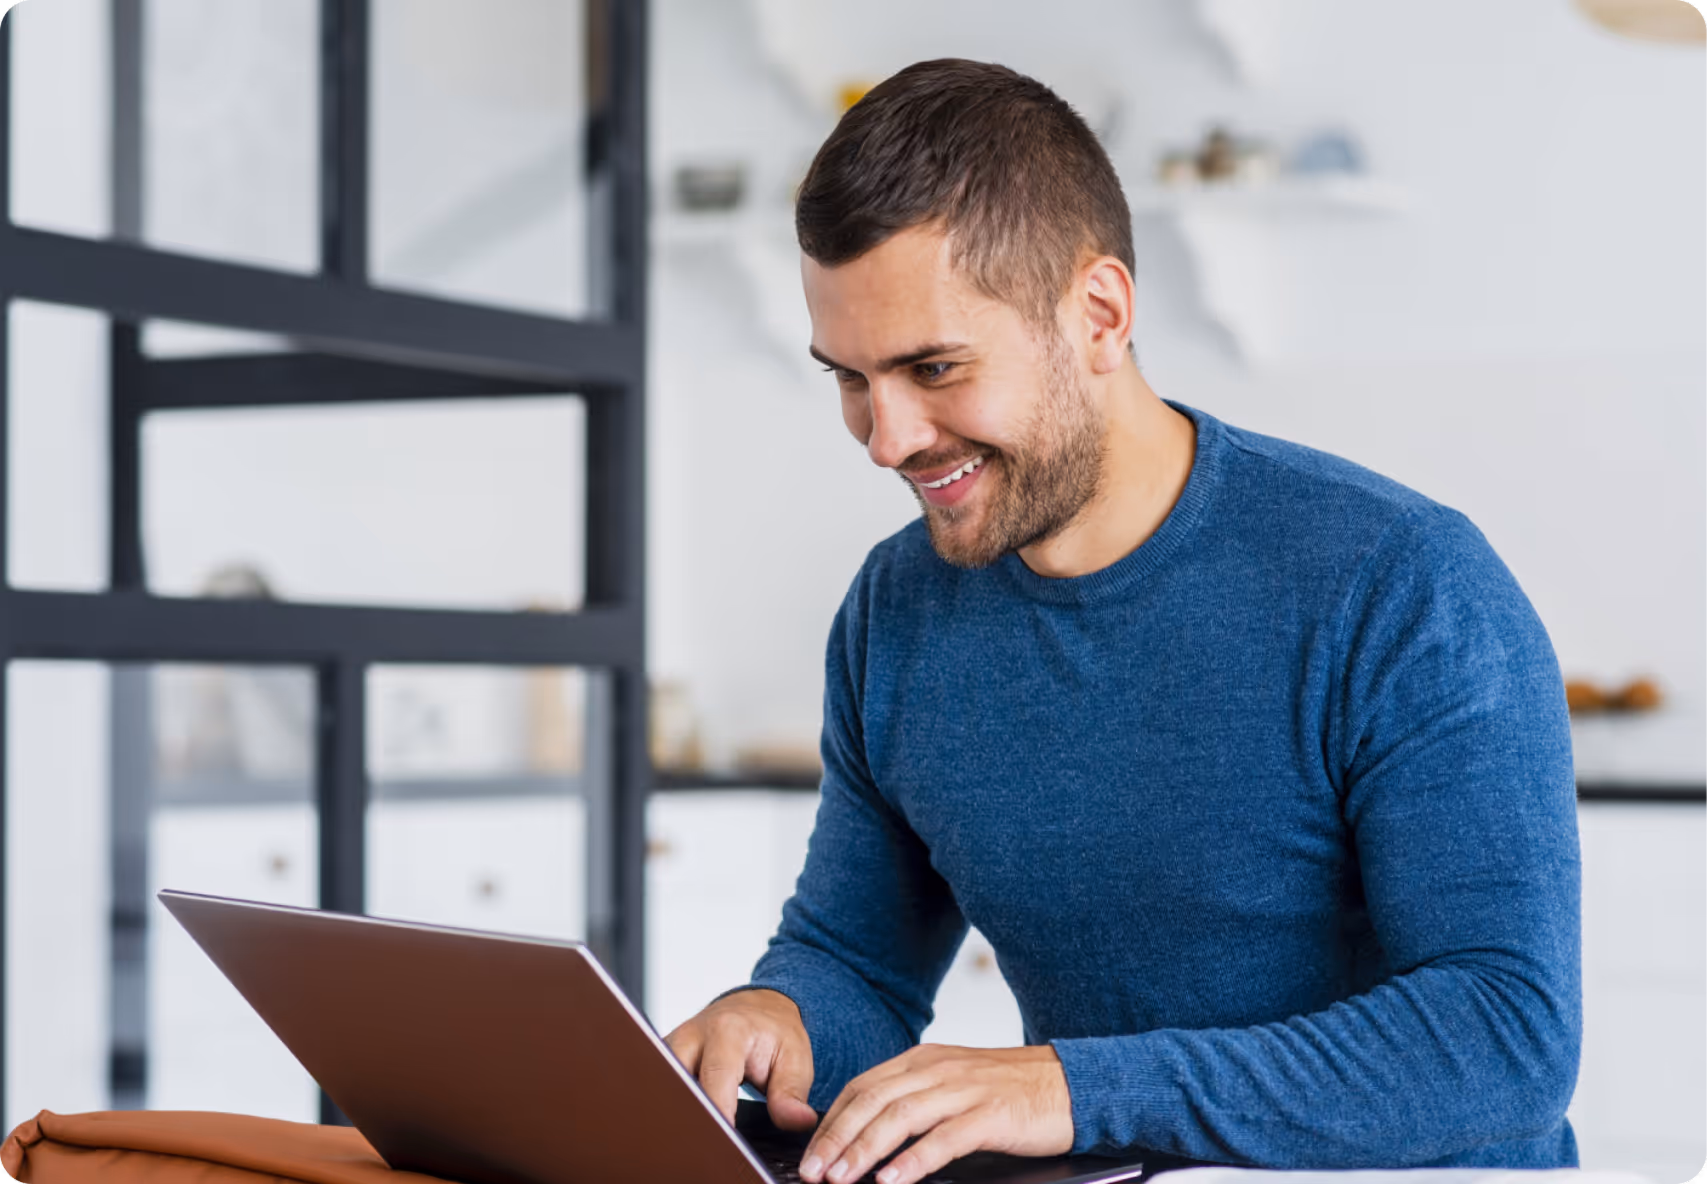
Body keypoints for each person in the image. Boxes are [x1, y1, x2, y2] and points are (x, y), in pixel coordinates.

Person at [664, 58, 1580, 1182]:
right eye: (848, 377)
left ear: (1099, 313)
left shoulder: (1401, 582)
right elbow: (857, 957)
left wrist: (1074, 1084)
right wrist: (778, 1013)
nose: (885, 436)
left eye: (934, 367)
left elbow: (1504, 1037)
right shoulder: (895, 612)